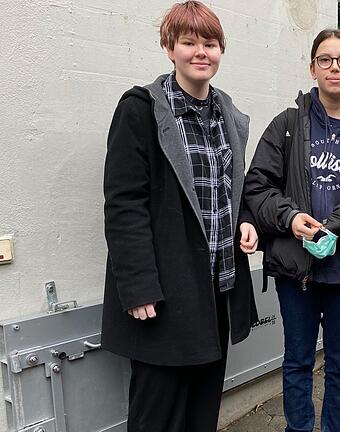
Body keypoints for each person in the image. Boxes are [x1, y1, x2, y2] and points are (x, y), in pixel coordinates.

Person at [101, 2, 258, 431]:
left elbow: (231, 189)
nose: (200, 52)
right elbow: (123, 203)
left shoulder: (228, 115)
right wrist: (137, 288)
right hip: (165, 295)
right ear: (170, 48)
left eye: (210, 43)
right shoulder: (140, 109)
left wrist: (245, 220)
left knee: (202, 410)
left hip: (217, 290)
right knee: (159, 413)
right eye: (189, 42)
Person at [243, 29, 340, 432]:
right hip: (296, 270)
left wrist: (338, 223)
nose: (334, 68)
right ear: (313, 67)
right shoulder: (288, 124)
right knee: (297, 361)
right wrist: (290, 219)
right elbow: (258, 186)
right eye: (326, 59)